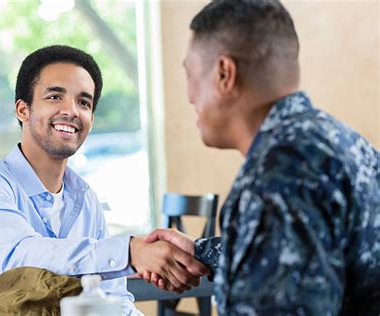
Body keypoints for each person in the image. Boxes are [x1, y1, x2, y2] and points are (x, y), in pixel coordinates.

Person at [143, 1, 380, 315]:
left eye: (190, 75)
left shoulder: (277, 178)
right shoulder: (340, 141)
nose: (189, 96)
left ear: (224, 74)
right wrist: (201, 252)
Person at [0, 45, 209, 316]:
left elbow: (114, 298)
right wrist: (130, 251)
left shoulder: (85, 199)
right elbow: (18, 257)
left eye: (84, 102)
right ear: (23, 110)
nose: (71, 111)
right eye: (55, 96)